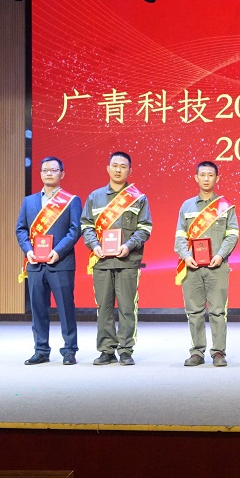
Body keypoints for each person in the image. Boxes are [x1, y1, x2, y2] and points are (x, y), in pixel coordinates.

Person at [80, 151, 153, 366]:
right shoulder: (95, 197)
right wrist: (95, 246)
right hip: (102, 262)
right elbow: (86, 226)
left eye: (123, 166)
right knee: (103, 308)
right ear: (108, 168)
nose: (118, 169)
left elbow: (145, 228)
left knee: (127, 307)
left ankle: (126, 350)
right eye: (115, 165)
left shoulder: (138, 198)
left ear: (130, 170)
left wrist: (128, 245)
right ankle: (106, 350)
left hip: (127, 261)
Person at [15, 156, 81, 365]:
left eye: (53, 170)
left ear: (62, 173)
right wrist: (28, 250)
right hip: (35, 264)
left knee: (65, 308)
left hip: (61, 263)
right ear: (40, 174)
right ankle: (41, 350)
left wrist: (58, 252)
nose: (49, 173)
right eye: (45, 170)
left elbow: (75, 230)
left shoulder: (71, 200)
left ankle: (69, 350)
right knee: (38, 309)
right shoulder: (29, 201)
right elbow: (21, 229)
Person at [174, 161, 239, 367]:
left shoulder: (225, 206)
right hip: (192, 267)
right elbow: (180, 237)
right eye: (202, 175)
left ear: (217, 178)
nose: (206, 179)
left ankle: (218, 352)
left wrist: (220, 255)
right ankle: (197, 352)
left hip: (217, 267)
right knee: (194, 311)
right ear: (196, 178)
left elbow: (233, 235)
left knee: (218, 311)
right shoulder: (186, 206)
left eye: (210, 175)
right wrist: (186, 256)